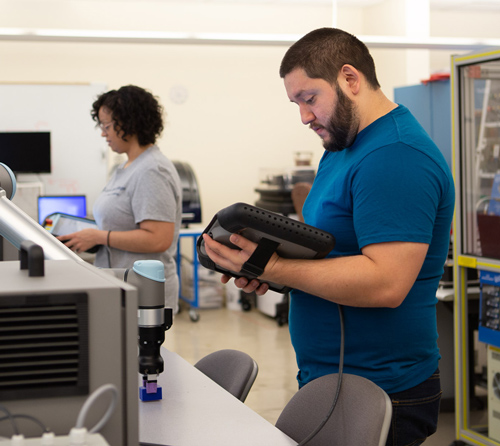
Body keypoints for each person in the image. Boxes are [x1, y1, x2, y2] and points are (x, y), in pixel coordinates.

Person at [201, 28, 455, 446]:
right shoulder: (342, 149)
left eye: (309, 98)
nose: (303, 116)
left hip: (380, 388)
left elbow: (387, 282)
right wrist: (274, 273)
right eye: (295, 103)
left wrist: (278, 265)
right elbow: (334, 250)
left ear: (350, 79)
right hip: (332, 377)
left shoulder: (395, 156)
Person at [58, 85, 182, 313]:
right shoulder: (125, 167)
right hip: (120, 285)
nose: (103, 133)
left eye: (107, 126)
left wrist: (99, 236)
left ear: (128, 123)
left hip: (144, 293)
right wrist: (92, 236)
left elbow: (158, 239)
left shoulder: (152, 170)